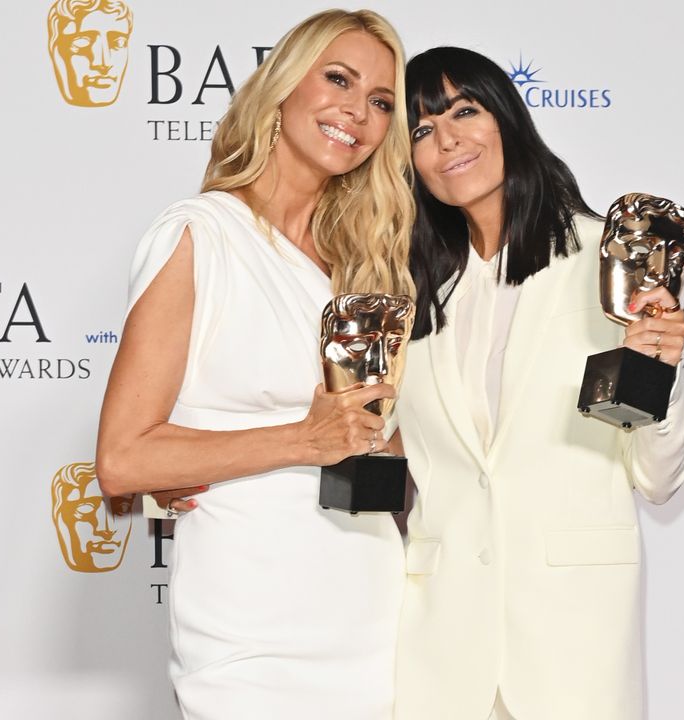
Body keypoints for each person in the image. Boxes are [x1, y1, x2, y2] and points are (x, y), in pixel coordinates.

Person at [94, 10, 414, 719]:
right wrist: (301, 440)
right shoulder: (199, 235)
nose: (358, 111)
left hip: (370, 607)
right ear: (282, 86)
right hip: (250, 624)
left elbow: (378, 450)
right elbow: (121, 459)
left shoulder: (356, 270)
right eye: (339, 79)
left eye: (382, 102)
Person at [391, 47, 684, 720]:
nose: (446, 139)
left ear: (507, 120)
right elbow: (391, 468)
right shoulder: (407, 294)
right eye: (420, 129)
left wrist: (660, 375)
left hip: (574, 647)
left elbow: (659, 476)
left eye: (464, 111)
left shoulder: (610, 261)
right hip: (438, 655)